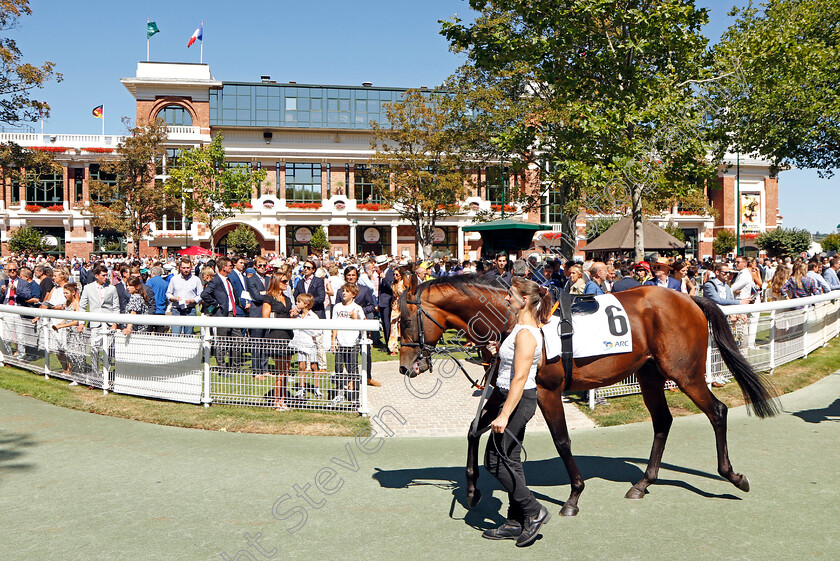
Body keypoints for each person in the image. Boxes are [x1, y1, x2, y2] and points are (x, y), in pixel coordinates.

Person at [483, 277, 552, 547]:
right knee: (510, 459)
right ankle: (515, 520)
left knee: (493, 460)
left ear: (524, 299)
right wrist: (498, 351)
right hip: (510, 398)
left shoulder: (526, 333)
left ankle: (534, 511)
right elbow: (514, 365)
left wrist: (503, 415)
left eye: (510, 295)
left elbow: (521, 377)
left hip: (518, 401)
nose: (506, 298)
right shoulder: (520, 327)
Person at [336, 266, 380, 386]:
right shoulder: (341, 291)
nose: (351, 277)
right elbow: (337, 307)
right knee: (348, 353)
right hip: (346, 328)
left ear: (357, 276)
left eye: (353, 275)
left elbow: (372, 306)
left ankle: (368, 377)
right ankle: (351, 377)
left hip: (360, 323)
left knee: (366, 352)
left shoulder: (364, 290)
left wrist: (358, 311)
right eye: (348, 275)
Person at [200, 257, 244, 370]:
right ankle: (222, 367)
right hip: (222, 315)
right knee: (222, 342)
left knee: (238, 340)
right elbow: (204, 294)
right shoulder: (215, 281)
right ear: (223, 267)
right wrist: (216, 304)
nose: (232, 267)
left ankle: (236, 366)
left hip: (232, 313)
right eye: (230, 266)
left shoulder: (228, 279)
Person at [263, 273, 295, 410]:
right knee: (280, 370)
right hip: (276, 335)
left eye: (287, 281)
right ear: (276, 282)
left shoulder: (287, 298)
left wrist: (293, 315)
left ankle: (282, 400)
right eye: (284, 281)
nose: (286, 283)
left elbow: (289, 315)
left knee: (286, 370)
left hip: (288, 335)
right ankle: (277, 401)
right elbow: (265, 318)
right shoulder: (269, 298)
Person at [331, 282, 364, 407]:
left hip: (352, 343)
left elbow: (364, 325)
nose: (344, 293)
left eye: (347, 291)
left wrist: (355, 318)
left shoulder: (357, 308)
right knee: (339, 369)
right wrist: (333, 340)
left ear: (353, 294)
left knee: (352, 370)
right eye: (343, 290)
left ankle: (355, 397)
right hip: (340, 342)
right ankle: (339, 394)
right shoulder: (337, 307)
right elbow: (334, 325)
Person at [289, 292, 323, 399]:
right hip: (300, 343)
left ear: (306, 304)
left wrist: (304, 328)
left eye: (299, 302)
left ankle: (317, 388)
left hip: (311, 344)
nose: (297, 304)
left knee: (313, 366)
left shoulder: (313, 317)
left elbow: (317, 331)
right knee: (301, 366)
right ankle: (301, 388)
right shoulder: (298, 316)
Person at [52, 283, 86, 382]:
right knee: (68, 353)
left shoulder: (77, 304)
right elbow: (66, 317)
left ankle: (75, 374)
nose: (65, 295)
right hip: (68, 333)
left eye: (66, 293)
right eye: (64, 293)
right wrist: (60, 324)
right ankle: (69, 372)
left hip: (75, 334)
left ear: (73, 292)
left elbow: (76, 321)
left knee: (75, 354)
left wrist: (62, 325)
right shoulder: (68, 303)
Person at [166, 258, 203, 336]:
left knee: (188, 335)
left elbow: (200, 295)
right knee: (175, 335)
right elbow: (168, 293)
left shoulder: (196, 280)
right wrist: (174, 298)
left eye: (188, 268)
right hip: (176, 310)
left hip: (190, 310)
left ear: (191, 268)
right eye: (184, 268)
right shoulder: (174, 279)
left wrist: (192, 300)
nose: (186, 270)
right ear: (180, 268)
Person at [247, 256, 271, 373]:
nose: (262, 267)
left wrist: (264, 294)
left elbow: (273, 294)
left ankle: (265, 369)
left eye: (264, 265)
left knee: (265, 342)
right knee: (256, 343)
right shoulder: (251, 280)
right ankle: (256, 370)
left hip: (267, 314)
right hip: (256, 313)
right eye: (260, 265)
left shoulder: (268, 279)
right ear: (255, 266)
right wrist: (267, 295)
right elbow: (256, 297)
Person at [375, 256, 395, 345]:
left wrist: (384, 278)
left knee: (387, 324)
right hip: (382, 302)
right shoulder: (382, 273)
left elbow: (392, 288)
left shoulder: (391, 273)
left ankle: (389, 344)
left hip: (388, 302)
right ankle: (387, 343)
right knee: (384, 324)